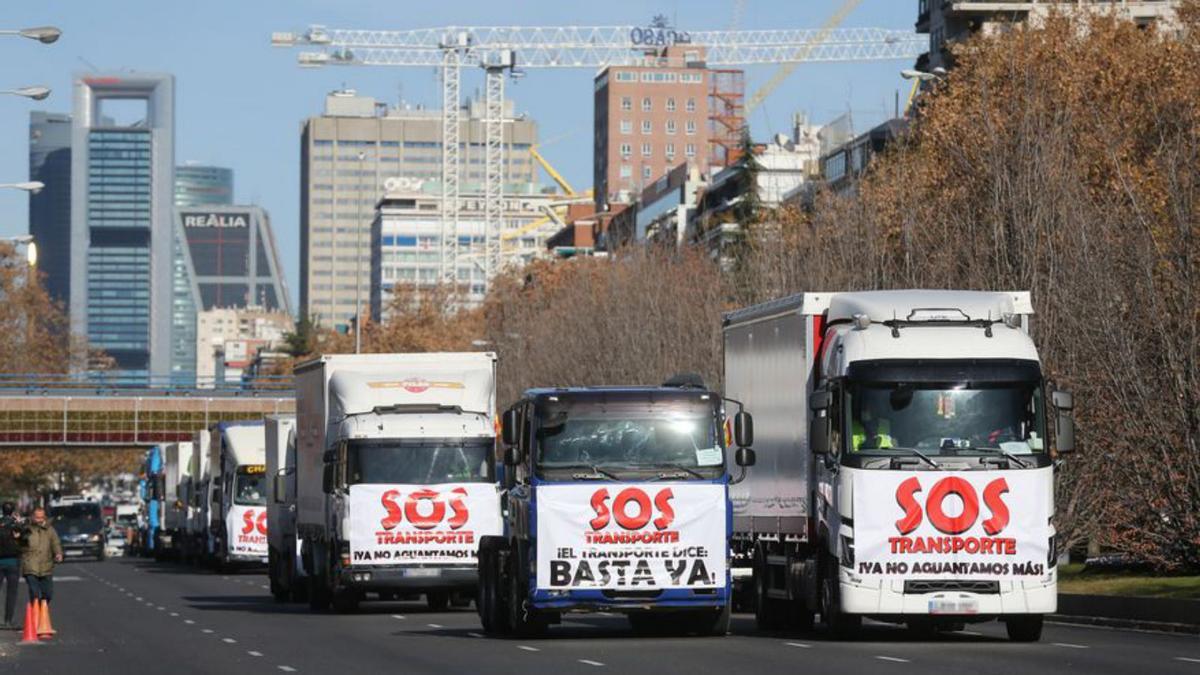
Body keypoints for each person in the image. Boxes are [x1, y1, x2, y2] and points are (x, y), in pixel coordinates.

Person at [21, 507, 62, 615]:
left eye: (41, 517)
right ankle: (35, 615)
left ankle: (41, 610)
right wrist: (18, 537)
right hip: (30, 565)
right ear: (32, 517)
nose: (39, 520)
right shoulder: (26, 528)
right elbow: (20, 543)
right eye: (37, 517)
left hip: (46, 566)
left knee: (48, 594)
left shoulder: (50, 530)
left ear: (44, 517)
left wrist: (58, 553)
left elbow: (55, 543)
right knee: (34, 593)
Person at [0, 503, 22, 630]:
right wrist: (19, 522)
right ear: (12, 511)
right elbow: (24, 536)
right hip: (13, 562)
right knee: (11, 593)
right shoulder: (15, 525)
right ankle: (8, 620)